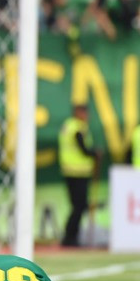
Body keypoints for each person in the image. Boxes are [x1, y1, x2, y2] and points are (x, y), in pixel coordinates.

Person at [58, 103, 99, 247]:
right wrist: (95, 153)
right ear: (79, 113)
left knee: (76, 206)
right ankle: (70, 237)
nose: (87, 116)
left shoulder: (68, 125)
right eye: (85, 113)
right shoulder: (77, 128)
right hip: (78, 172)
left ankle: (70, 236)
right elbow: (83, 149)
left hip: (70, 171)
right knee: (79, 206)